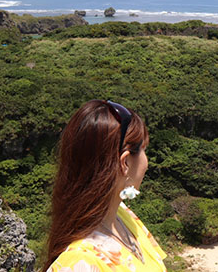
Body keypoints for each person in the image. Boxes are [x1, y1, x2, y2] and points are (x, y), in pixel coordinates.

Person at [44, 100, 167, 271]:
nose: (147, 161)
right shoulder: (81, 264)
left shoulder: (123, 215)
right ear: (125, 163)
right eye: (144, 149)